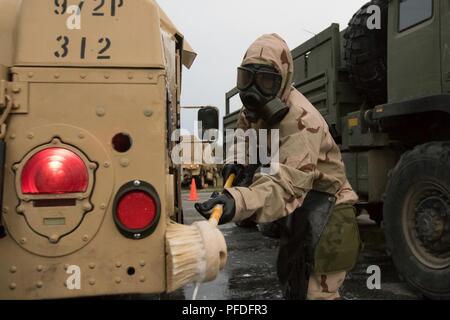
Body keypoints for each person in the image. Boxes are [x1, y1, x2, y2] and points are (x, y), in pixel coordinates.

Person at [195, 34, 360, 300]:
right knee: (293, 281)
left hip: (327, 211)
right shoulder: (258, 109)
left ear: (282, 80)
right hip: (302, 210)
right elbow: (243, 135)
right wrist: (236, 162)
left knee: (316, 293)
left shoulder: (302, 121)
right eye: (246, 79)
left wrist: (236, 201)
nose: (252, 91)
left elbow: (286, 186)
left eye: (265, 81)